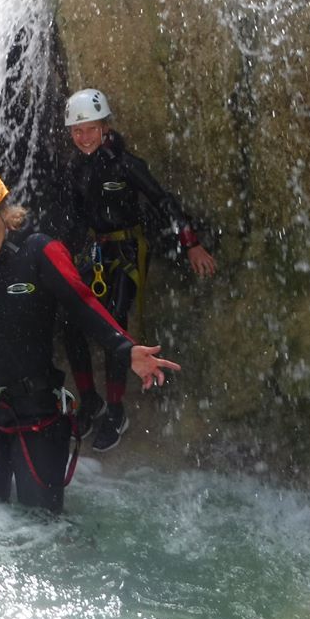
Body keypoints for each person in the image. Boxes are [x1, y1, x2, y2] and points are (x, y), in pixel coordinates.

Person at [0, 168, 180, 513]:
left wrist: (126, 350)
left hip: (37, 412)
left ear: (6, 213)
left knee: (42, 525)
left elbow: (83, 302)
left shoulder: (40, 250)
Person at [54, 88, 216, 452]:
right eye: (77, 131)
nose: (83, 138)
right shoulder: (74, 169)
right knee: (69, 323)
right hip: (94, 251)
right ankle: (90, 401)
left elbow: (164, 201)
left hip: (126, 249)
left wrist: (190, 244)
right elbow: (71, 218)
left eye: (91, 129)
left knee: (114, 323)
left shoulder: (126, 164)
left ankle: (115, 410)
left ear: (105, 127)